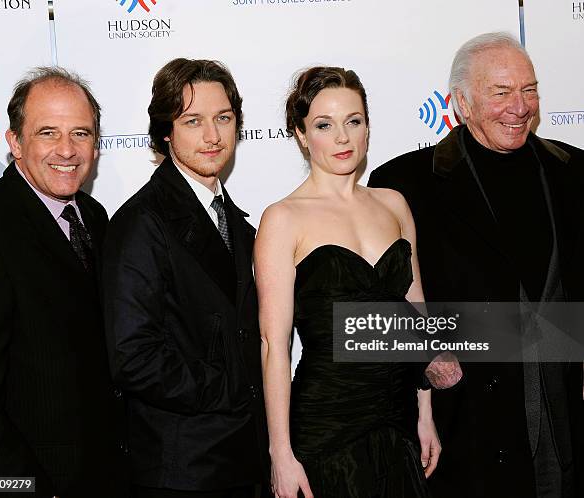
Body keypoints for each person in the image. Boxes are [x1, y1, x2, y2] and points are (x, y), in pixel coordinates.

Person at [368, 32, 584, 498]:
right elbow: (376, 307)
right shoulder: (404, 184)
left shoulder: (575, 171)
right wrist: (424, 355)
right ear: (461, 102)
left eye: (529, 90)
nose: (520, 106)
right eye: (501, 92)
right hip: (467, 422)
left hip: (564, 414)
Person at [254, 66, 440, 498]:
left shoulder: (393, 204)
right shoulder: (283, 219)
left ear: (367, 128)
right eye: (324, 125)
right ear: (301, 135)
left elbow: (417, 317)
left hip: (397, 415)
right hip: (327, 422)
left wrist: (425, 412)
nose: (342, 138)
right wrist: (280, 453)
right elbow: (272, 345)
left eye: (353, 122)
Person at [102, 58, 269, 498]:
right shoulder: (141, 221)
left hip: (241, 458)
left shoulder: (235, 220)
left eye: (223, 119)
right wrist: (233, 386)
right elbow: (133, 356)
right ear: (165, 132)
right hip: (185, 469)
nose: (212, 136)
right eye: (193, 121)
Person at [0, 67, 126, 496]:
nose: (67, 150)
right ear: (15, 143)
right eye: (48, 133)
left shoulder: (94, 218)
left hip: (106, 474)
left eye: (81, 133)